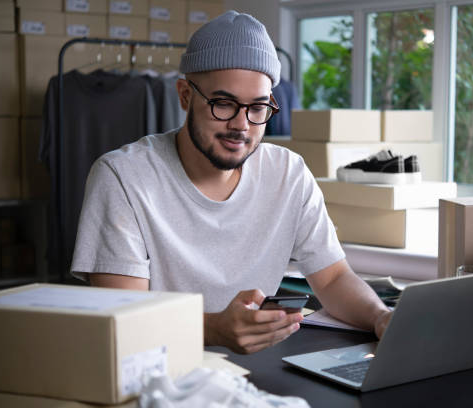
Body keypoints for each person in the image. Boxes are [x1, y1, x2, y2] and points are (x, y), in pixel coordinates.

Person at [71, 10, 392, 354]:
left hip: (257, 374)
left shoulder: (288, 173)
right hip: (161, 374)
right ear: (184, 96)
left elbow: (333, 279)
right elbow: (124, 315)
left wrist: (381, 318)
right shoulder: (123, 177)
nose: (241, 125)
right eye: (223, 104)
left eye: (257, 108)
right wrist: (212, 329)